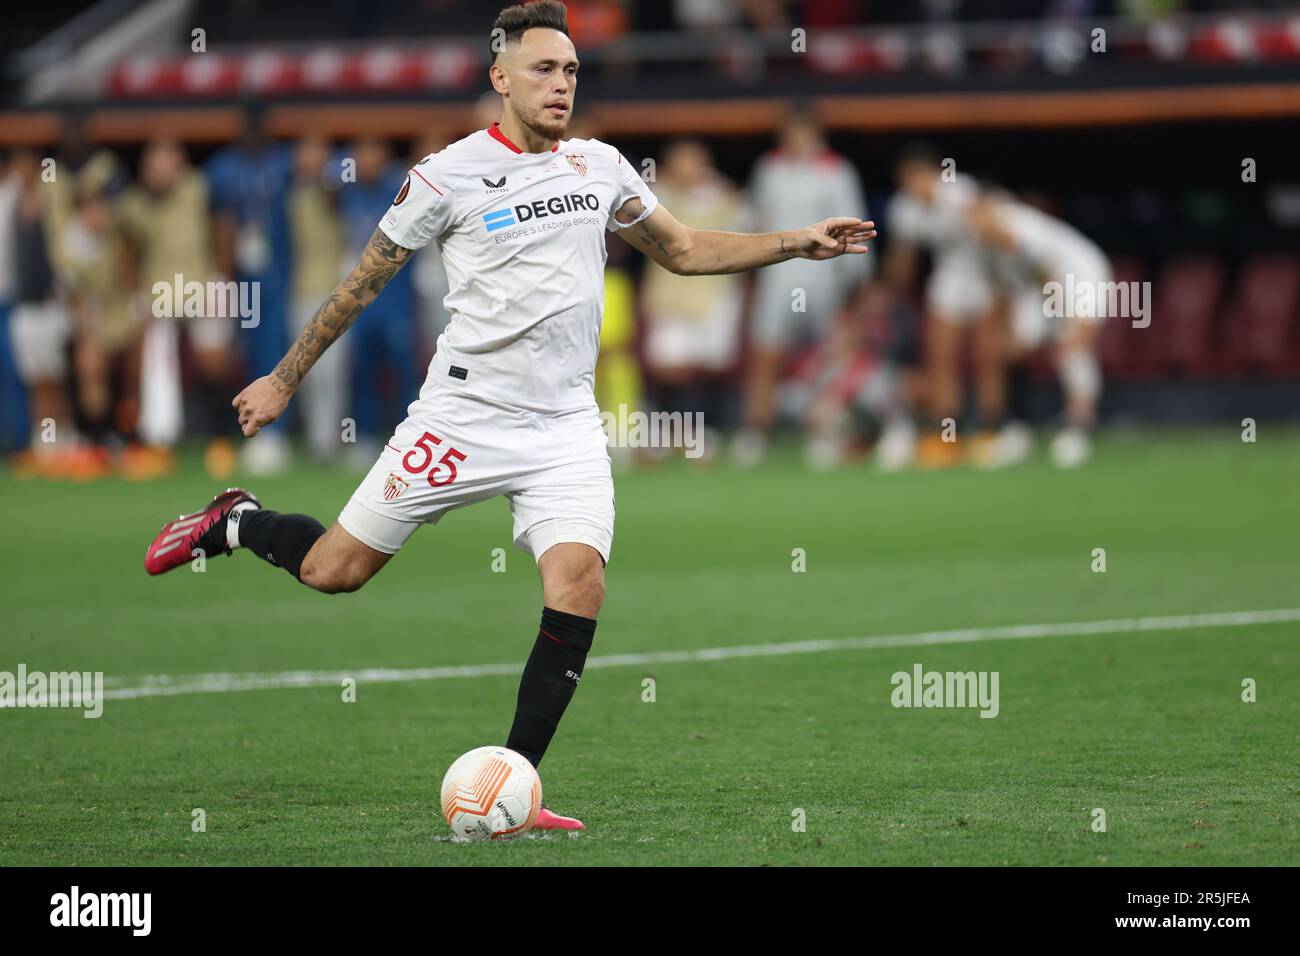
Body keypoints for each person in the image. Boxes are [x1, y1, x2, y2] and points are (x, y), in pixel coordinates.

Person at [144, 1, 875, 830]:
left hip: (562, 425)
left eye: (570, 71)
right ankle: (237, 521)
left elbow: (683, 250)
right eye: (543, 69)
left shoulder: (599, 167)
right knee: (334, 571)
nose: (561, 84)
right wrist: (282, 378)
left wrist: (796, 242)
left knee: (580, 584)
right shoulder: (445, 175)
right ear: (500, 79)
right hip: (461, 415)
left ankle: (514, 788)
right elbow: (362, 281)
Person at [734, 104, 870, 467]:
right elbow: (752, 221)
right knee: (765, 356)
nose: (798, 139)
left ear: (816, 133)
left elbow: (854, 228)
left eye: (804, 131)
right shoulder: (769, 169)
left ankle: (825, 434)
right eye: (792, 132)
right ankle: (756, 432)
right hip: (777, 275)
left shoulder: (837, 171)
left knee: (830, 358)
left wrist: (854, 284)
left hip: (824, 278)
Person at [969, 193, 1112, 469]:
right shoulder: (985, 245)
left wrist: (1073, 323)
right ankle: (1016, 429)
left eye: (980, 215)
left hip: (1080, 275)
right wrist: (1007, 329)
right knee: (1010, 347)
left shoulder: (1024, 232)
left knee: (1072, 349)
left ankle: (1078, 429)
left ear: (995, 211)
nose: (974, 223)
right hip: (1038, 287)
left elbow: (1048, 278)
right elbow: (1003, 290)